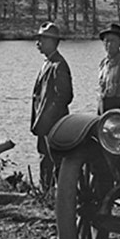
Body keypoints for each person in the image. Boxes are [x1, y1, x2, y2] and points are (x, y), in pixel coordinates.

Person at [30, 21, 73, 191]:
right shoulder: (47, 63)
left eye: (42, 39)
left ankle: (60, 197)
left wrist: (49, 118)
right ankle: (46, 193)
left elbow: (65, 96)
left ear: (52, 41)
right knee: (44, 159)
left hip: (53, 125)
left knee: (56, 161)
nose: (37, 43)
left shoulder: (59, 65)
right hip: (44, 124)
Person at [97, 22, 120, 113]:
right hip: (103, 108)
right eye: (106, 41)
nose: (109, 44)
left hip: (119, 109)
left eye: (113, 41)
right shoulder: (103, 64)